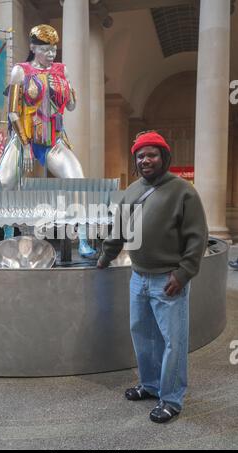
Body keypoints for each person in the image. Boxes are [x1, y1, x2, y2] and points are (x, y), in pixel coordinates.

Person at [97, 131, 208, 423]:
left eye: (152, 154)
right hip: (139, 277)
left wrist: (184, 273)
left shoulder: (184, 191)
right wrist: (106, 255)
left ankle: (171, 398)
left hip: (168, 280)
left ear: (164, 157)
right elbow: (118, 228)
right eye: (141, 156)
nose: (146, 160)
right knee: (142, 334)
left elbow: (197, 238)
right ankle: (150, 385)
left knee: (173, 341)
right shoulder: (132, 190)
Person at [0, 24, 95, 256]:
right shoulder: (20, 71)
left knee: (77, 181)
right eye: (46, 50)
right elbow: (12, 113)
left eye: (53, 50)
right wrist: (24, 145)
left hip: (53, 139)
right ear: (33, 47)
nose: (51, 54)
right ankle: (9, 239)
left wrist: (69, 87)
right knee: (4, 183)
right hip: (24, 138)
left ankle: (82, 241)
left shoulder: (62, 70)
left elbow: (70, 105)